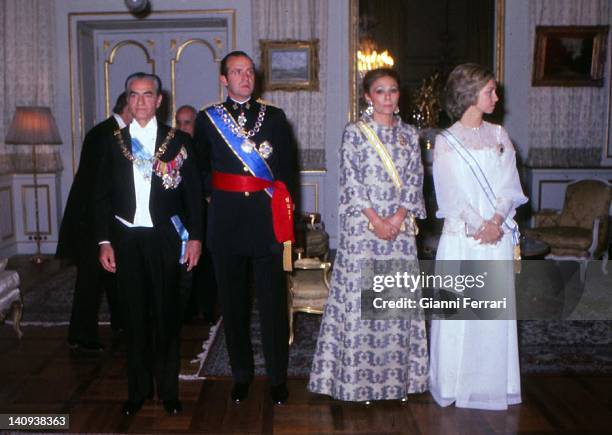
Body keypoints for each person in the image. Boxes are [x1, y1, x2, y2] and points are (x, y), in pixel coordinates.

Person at [308, 68, 428, 403]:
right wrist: (376, 221)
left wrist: (398, 217)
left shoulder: (409, 134)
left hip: (400, 231)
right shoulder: (355, 133)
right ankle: (357, 384)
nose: (387, 97)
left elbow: (415, 180)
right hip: (364, 230)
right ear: (367, 96)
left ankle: (397, 382)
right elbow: (352, 181)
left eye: (392, 90)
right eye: (380, 91)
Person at [193, 50, 297, 405]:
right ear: (224, 79)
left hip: (266, 221)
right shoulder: (207, 120)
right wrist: (216, 196)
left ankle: (278, 379)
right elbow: (198, 171)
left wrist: (286, 217)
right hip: (226, 221)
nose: (245, 77)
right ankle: (241, 375)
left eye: (249, 71)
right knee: (233, 305)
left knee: (272, 304)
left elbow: (287, 173)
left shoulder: (275, 117)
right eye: (237, 72)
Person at [95, 72, 202, 416]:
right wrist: (104, 241)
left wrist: (196, 237)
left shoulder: (178, 142)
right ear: (127, 100)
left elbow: (195, 196)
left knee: (167, 317)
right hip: (126, 240)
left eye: (147, 95)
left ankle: (169, 391)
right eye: (133, 95)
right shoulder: (113, 141)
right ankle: (137, 391)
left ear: (159, 100)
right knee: (134, 317)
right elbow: (101, 197)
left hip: (165, 240)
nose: (140, 101)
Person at [429, 63, 528, 410]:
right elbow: (450, 196)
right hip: (462, 238)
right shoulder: (445, 141)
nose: (497, 97)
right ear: (470, 94)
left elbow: (509, 187)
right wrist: (479, 226)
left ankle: (490, 384)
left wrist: (497, 220)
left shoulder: (500, 135)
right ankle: (455, 383)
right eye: (490, 91)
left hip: (495, 237)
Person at [57, 92, 131, 351]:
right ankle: (81, 335)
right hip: (90, 220)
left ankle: (122, 323)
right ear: (127, 106)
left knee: (112, 273)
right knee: (90, 280)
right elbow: (99, 183)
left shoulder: (111, 130)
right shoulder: (106, 134)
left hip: (105, 218)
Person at [175, 104, 218, 324]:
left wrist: (205, 196)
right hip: (180, 216)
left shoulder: (205, 147)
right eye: (179, 122)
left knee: (206, 263)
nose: (182, 127)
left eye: (187, 122)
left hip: (206, 213)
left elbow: (212, 177)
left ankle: (208, 309)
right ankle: (187, 309)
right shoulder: (172, 147)